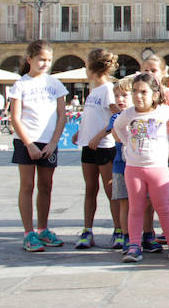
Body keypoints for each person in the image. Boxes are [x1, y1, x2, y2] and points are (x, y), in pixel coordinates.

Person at [114, 73, 169, 262]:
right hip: (134, 169)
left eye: (143, 92)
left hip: (158, 168)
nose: (138, 96)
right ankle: (134, 246)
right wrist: (126, 143)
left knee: (163, 207)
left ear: (154, 94)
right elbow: (118, 126)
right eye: (135, 91)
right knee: (136, 208)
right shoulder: (129, 114)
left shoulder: (163, 111)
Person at [9, 40, 69, 252]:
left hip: (48, 143)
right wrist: (29, 144)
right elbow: (15, 118)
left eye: (49, 60)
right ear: (30, 60)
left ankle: (43, 229)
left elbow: (62, 116)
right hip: (26, 140)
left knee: (46, 186)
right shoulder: (21, 84)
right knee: (27, 186)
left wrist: (54, 142)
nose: (45, 63)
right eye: (41, 59)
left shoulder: (55, 84)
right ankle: (28, 233)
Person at [73, 49, 120, 250]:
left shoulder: (109, 89)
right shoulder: (93, 90)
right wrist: (80, 132)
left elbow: (117, 115)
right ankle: (87, 230)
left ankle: (119, 231)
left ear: (91, 66)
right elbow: (93, 117)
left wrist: (101, 135)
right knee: (90, 189)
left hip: (104, 147)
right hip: (88, 145)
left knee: (111, 190)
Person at [109, 78, 131, 251]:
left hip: (139, 167)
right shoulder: (116, 117)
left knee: (143, 204)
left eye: (124, 95)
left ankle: (146, 233)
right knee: (124, 203)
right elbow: (118, 137)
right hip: (121, 167)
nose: (119, 99)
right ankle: (126, 236)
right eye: (116, 96)